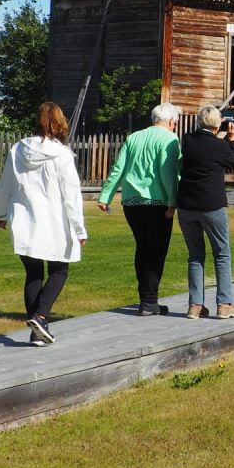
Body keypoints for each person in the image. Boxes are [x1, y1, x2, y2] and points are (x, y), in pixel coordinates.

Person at [0, 101, 88, 346]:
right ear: (59, 122)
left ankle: (37, 331)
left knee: (33, 272)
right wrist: (79, 229)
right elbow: (71, 196)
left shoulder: (18, 150)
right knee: (59, 270)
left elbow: (5, 185)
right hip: (54, 222)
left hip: (24, 220)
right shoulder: (62, 155)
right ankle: (41, 316)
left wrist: (0, 212)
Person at [97, 102, 183, 316]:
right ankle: (149, 301)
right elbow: (167, 173)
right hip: (157, 202)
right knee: (156, 251)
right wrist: (172, 201)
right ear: (170, 121)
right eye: (175, 123)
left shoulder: (134, 137)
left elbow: (118, 168)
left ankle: (146, 298)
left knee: (142, 248)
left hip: (131, 202)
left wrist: (105, 196)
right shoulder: (170, 139)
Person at [176, 105, 234, 320]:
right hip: (211, 205)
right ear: (216, 124)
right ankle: (224, 304)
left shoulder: (187, 140)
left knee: (195, 256)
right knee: (222, 254)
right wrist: (232, 139)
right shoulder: (219, 145)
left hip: (186, 205)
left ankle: (195, 306)